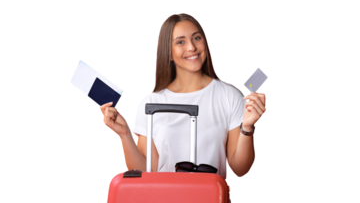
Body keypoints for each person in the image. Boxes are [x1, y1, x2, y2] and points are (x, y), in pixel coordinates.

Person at [98, 13, 268, 182]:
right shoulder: (149, 103)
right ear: (168, 52)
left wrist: (248, 127)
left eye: (196, 38)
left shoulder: (229, 95)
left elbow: (240, 170)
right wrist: (124, 135)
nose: (192, 47)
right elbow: (146, 172)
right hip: (162, 199)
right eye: (180, 42)